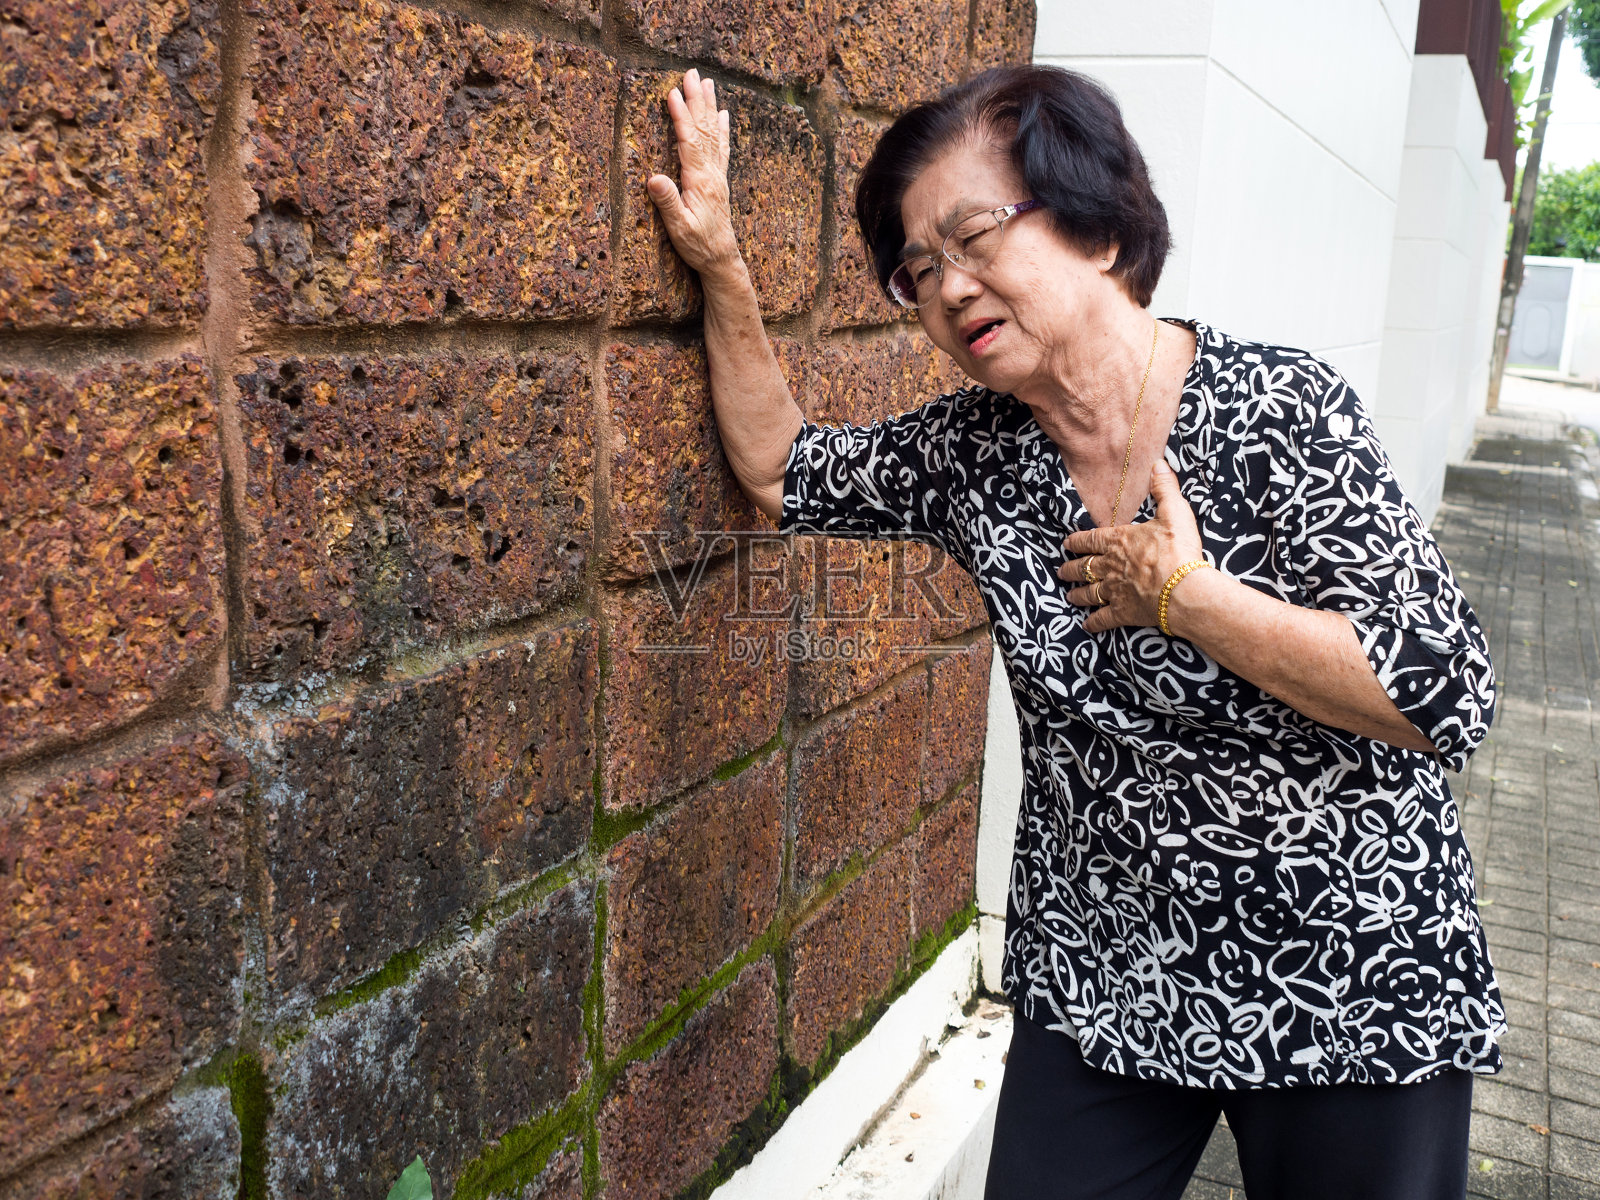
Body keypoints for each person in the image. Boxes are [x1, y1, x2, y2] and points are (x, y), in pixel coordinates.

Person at [645, 63, 1503, 1200]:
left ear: (1098, 230)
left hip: (1345, 969)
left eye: (974, 235)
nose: (948, 288)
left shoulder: (1280, 410)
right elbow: (777, 467)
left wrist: (1188, 601)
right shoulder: (974, 453)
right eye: (919, 269)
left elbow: (1445, 693)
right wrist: (718, 262)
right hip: (1107, 977)